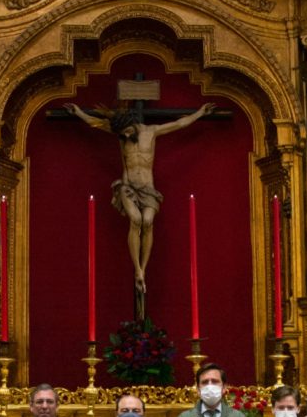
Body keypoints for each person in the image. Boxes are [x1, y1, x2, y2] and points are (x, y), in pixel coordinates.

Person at [65, 101, 214, 297]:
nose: (126, 136)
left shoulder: (151, 132)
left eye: (128, 131)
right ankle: (138, 269)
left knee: (148, 221)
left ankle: (143, 268)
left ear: (132, 123)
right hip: (128, 187)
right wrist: (78, 113)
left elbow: (179, 124)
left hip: (148, 188)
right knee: (136, 220)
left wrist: (200, 113)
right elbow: (95, 123)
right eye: (123, 134)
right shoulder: (121, 135)